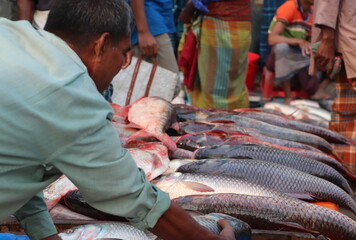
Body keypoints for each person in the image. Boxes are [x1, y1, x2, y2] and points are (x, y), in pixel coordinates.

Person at [0, 0, 235, 240]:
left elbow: (19, 161)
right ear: (101, 45)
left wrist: (45, 235)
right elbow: (133, 197)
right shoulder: (73, 95)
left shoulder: (10, 32)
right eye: (124, 53)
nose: (123, 66)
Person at [310, 0, 356, 176]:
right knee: (349, 118)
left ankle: (347, 177)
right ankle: (347, 177)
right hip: (352, 41)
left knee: (350, 119)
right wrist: (327, 38)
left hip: (353, 38)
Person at [179, 0, 251, 110]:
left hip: (219, 26)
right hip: (239, 25)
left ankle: (212, 121)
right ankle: (234, 120)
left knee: (214, 86)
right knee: (234, 85)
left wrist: (189, 8)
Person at [267, 0, 332, 104]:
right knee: (282, 48)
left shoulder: (312, 12)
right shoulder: (289, 7)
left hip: (299, 53)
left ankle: (318, 89)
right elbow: (272, 39)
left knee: (328, 53)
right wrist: (298, 41)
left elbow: (310, 39)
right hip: (278, 55)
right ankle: (288, 96)